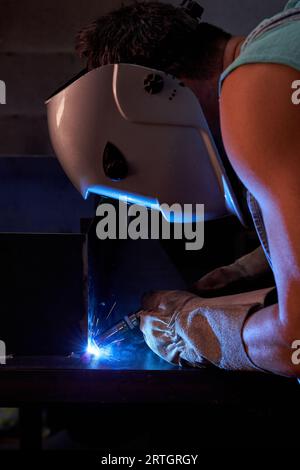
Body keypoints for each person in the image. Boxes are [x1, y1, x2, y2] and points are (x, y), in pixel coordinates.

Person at [75, 0, 300, 376]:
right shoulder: (286, 40)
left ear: (157, 93)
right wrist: (251, 268)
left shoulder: (256, 85)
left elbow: (294, 342)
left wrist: (187, 327)